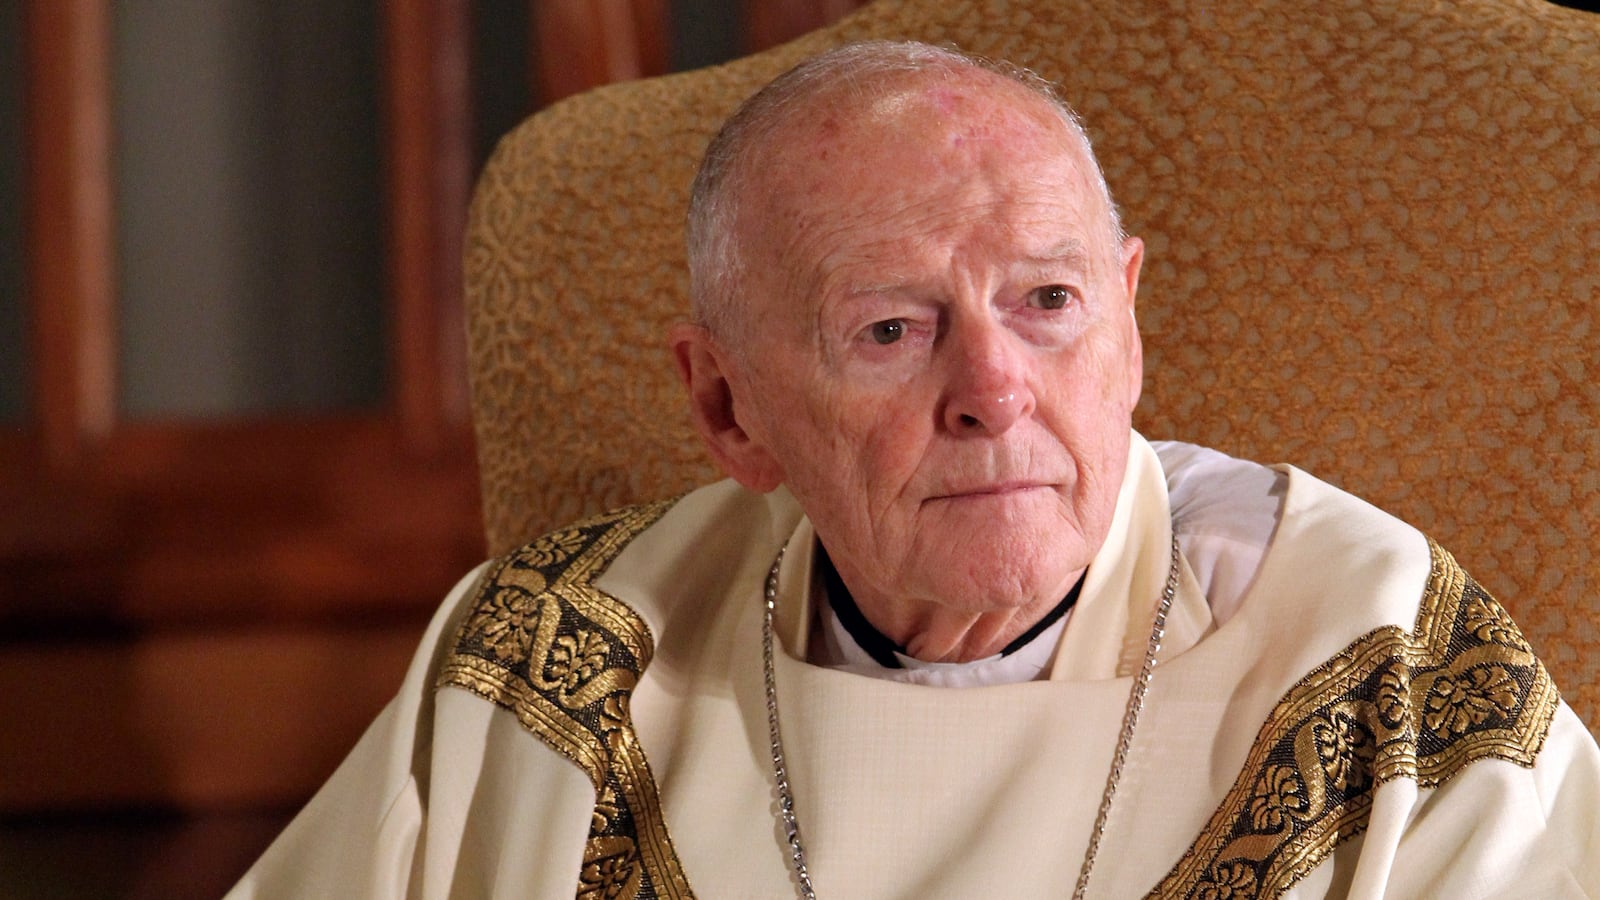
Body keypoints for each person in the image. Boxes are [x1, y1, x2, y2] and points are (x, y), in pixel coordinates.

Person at [229, 41, 1599, 898]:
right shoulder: (543, 668)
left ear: (1128, 322)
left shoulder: (1371, 659)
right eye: (892, 328)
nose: (993, 391)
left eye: (1048, 304)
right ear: (727, 406)